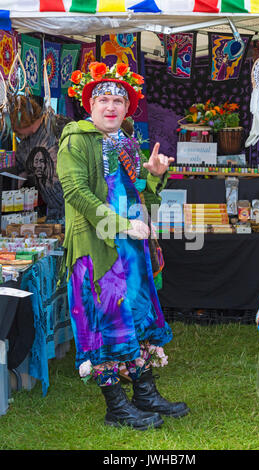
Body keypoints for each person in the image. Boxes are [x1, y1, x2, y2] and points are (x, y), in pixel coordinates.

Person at [57, 62, 190, 430]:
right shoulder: (76, 139)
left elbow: (139, 201)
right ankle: (116, 406)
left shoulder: (126, 141)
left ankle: (145, 394)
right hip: (97, 250)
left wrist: (153, 175)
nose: (111, 106)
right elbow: (76, 193)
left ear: (128, 108)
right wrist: (120, 225)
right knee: (106, 323)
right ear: (90, 104)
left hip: (130, 249)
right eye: (104, 99)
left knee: (136, 316)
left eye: (119, 99)